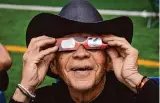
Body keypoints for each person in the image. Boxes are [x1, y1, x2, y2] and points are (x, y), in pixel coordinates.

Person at [10, 0, 158, 103]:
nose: (81, 54)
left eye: (93, 43)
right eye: (68, 45)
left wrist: (134, 79)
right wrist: (26, 87)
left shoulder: (138, 98)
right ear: (54, 65)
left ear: (109, 61)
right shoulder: (40, 99)